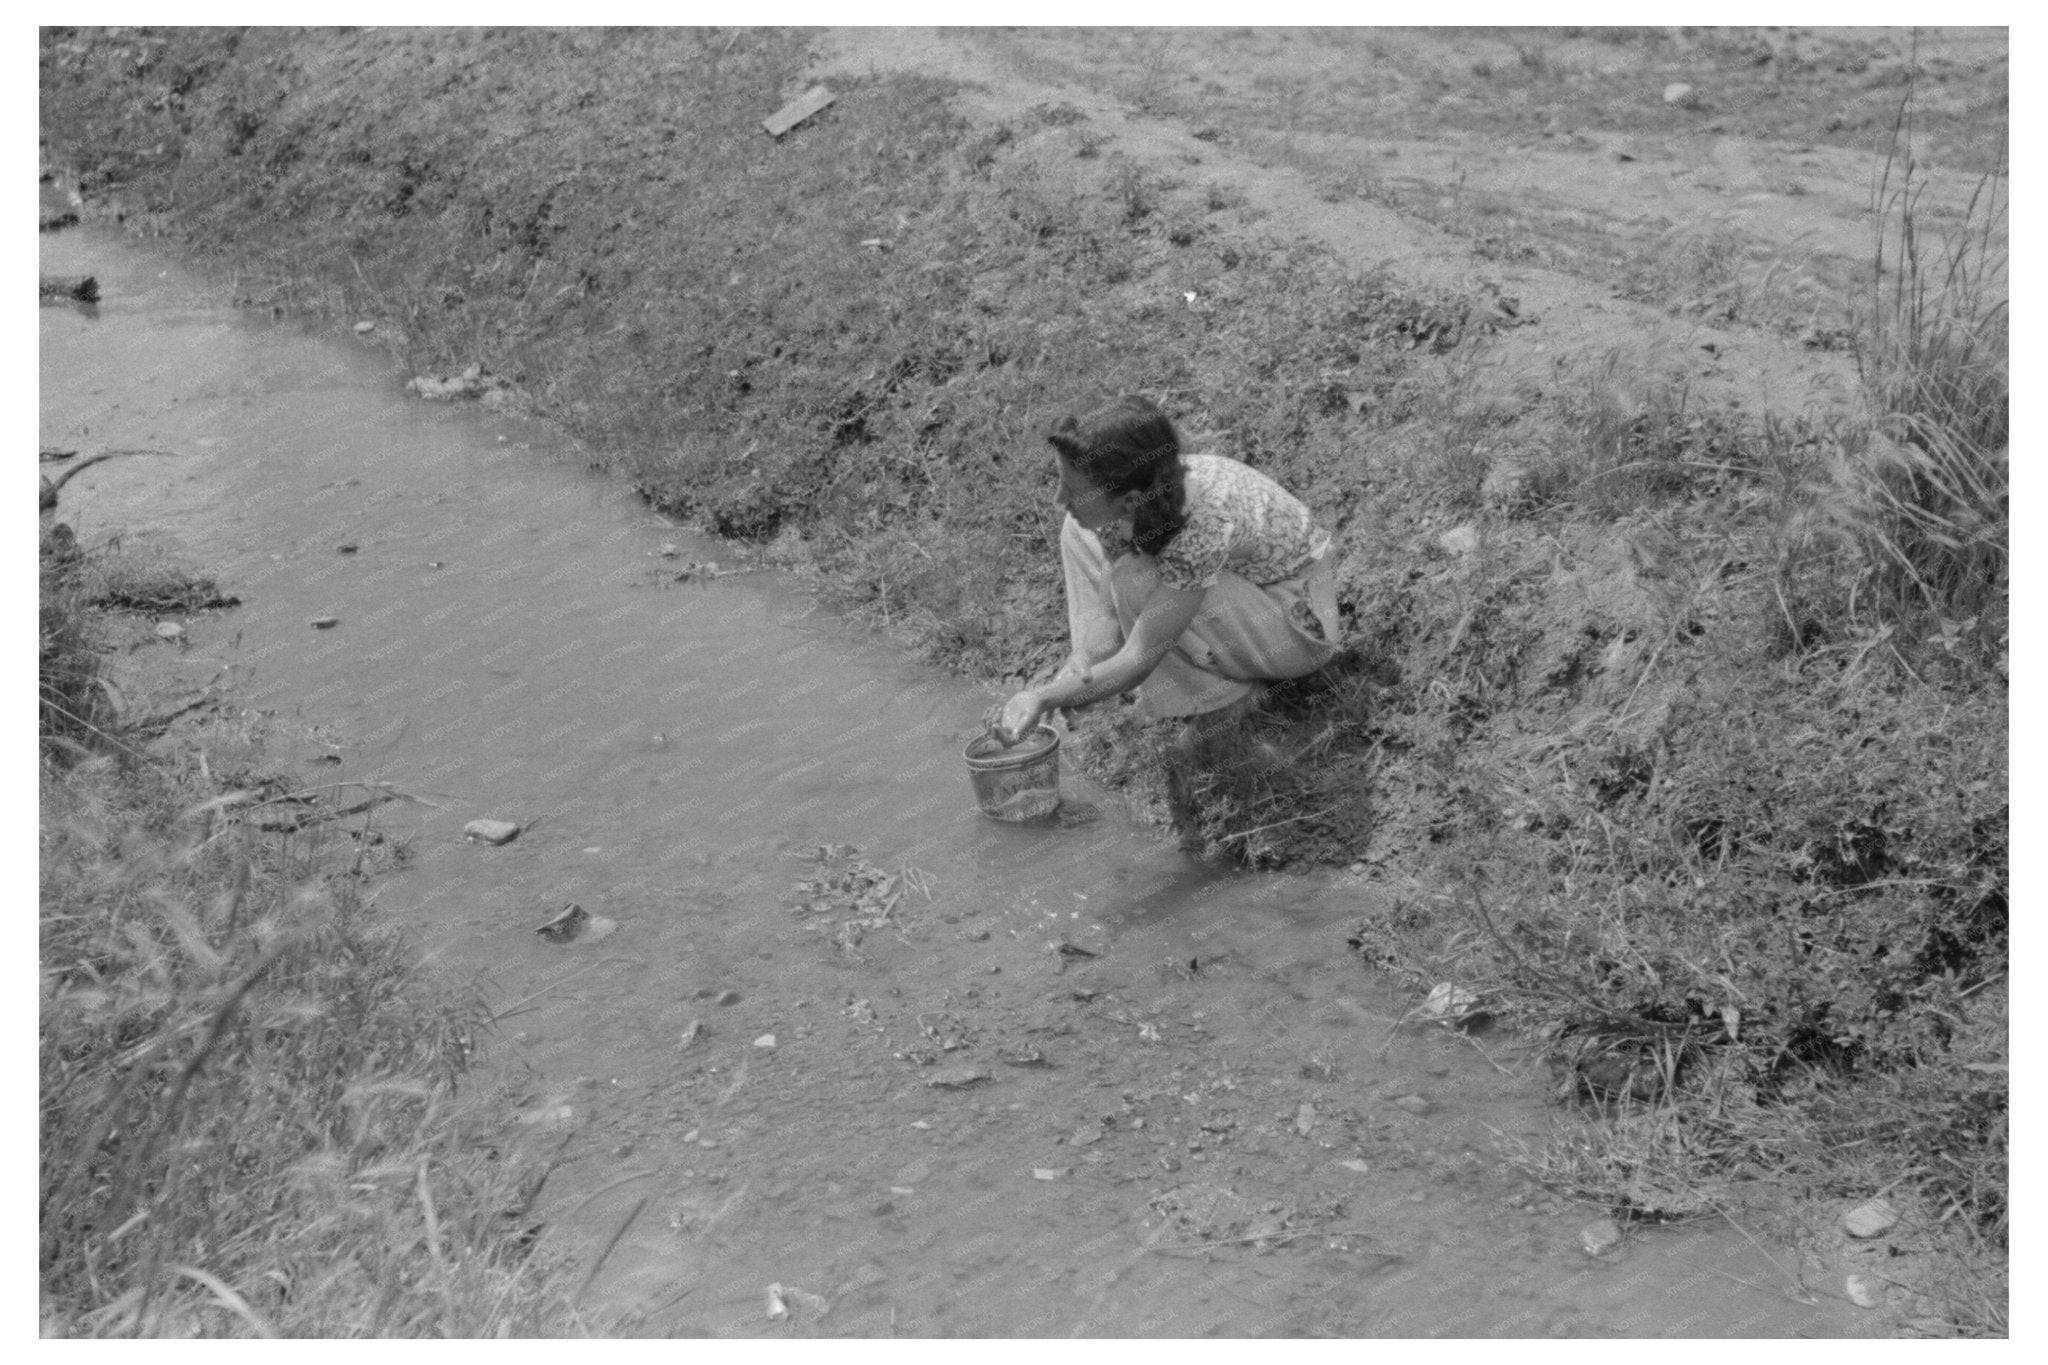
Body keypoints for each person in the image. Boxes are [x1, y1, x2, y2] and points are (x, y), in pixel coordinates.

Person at [994, 394, 1342, 746]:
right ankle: (1119, 679)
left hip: (1298, 620)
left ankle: (1223, 702)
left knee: (1138, 583)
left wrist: (1044, 698)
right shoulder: (1144, 488)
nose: (1058, 499)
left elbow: (1138, 659)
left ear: (1129, 500)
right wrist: (1078, 667)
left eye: (1071, 489)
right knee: (1078, 529)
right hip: (1243, 586)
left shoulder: (1203, 525)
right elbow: (1107, 613)